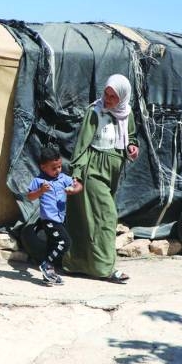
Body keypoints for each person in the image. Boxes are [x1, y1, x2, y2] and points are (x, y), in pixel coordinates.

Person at [64, 74, 139, 283]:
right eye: (106, 94)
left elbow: (130, 137)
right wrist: (77, 175)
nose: (107, 99)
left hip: (112, 173)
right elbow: (82, 144)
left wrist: (132, 148)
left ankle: (77, 263)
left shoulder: (126, 113)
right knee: (107, 217)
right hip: (92, 170)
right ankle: (106, 269)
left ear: (123, 97)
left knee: (90, 219)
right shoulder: (95, 112)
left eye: (113, 96)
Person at [27, 146, 83, 286]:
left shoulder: (63, 178)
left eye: (59, 166)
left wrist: (73, 190)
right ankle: (46, 264)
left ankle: (49, 274)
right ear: (43, 167)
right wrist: (41, 191)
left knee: (52, 245)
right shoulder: (39, 181)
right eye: (54, 168)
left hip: (60, 218)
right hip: (49, 220)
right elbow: (30, 197)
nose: (58, 170)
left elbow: (78, 185)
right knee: (65, 242)